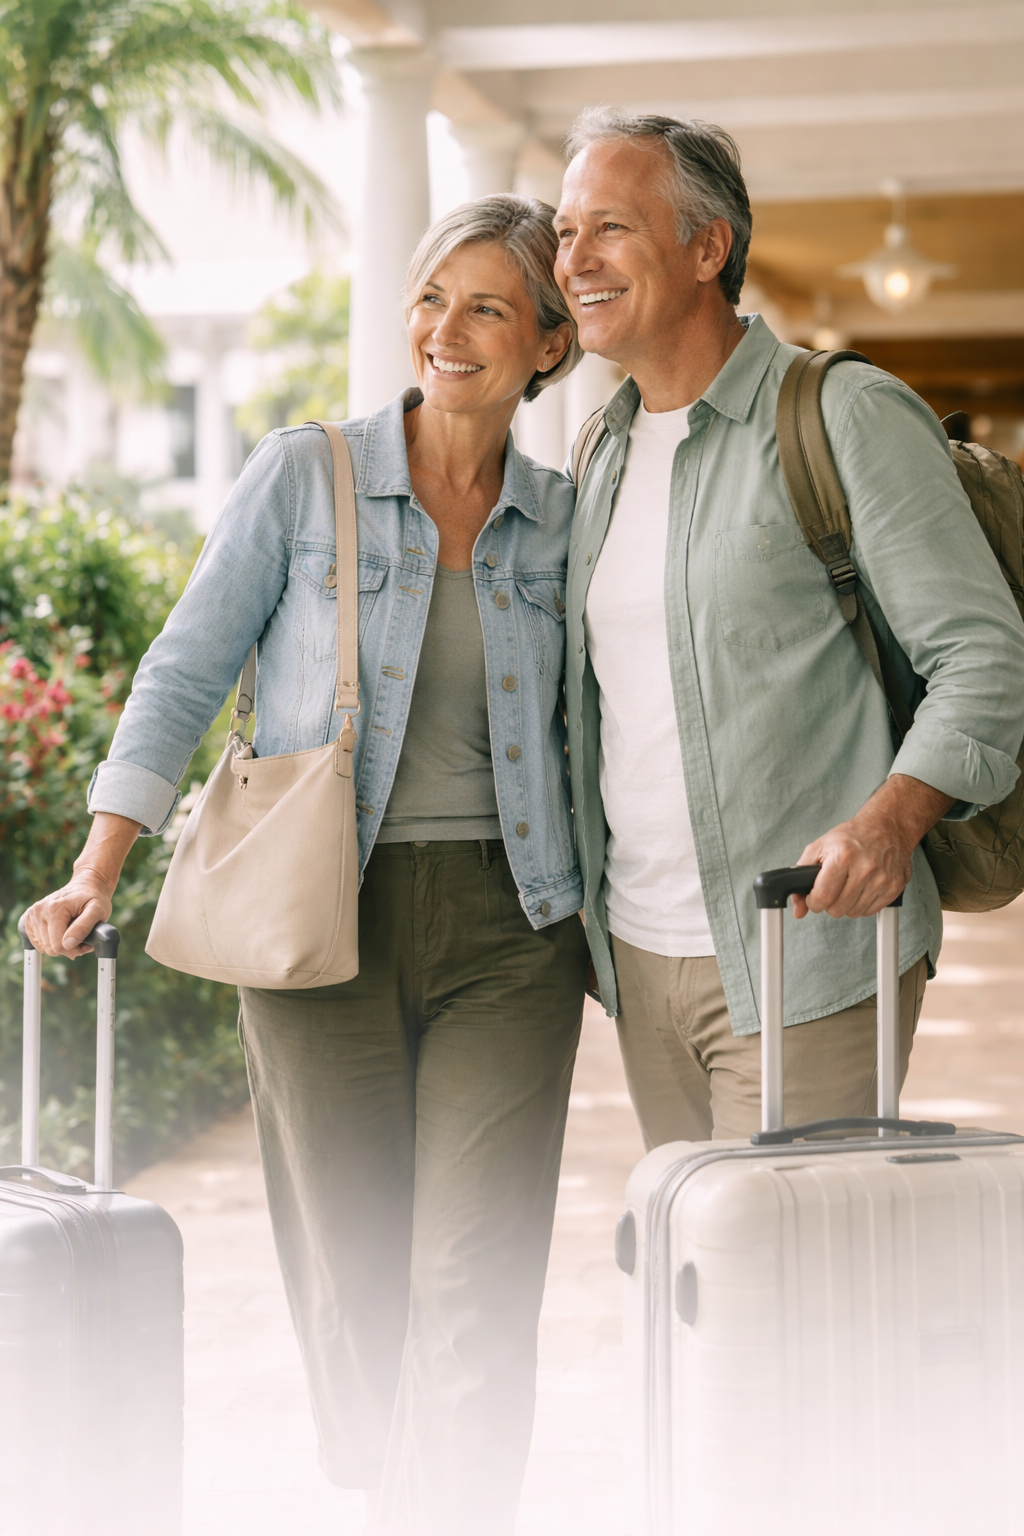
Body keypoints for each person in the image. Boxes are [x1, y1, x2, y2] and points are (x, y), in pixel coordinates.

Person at [24, 195, 590, 1536]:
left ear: (549, 346)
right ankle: (386, 1487)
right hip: (312, 916)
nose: (444, 333)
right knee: (357, 1275)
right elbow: (184, 668)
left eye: (488, 308)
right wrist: (102, 863)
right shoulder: (307, 473)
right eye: (430, 299)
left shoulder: (571, 515)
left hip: (517, 930)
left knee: (477, 1278)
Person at [554, 109, 1024, 1148]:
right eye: (562, 232)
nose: (573, 260)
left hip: (808, 943)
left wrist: (890, 821)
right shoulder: (601, 452)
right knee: (691, 1277)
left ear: (706, 246)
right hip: (637, 952)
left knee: (789, 1289)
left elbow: (982, 657)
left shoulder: (841, 413)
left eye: (609, 229)